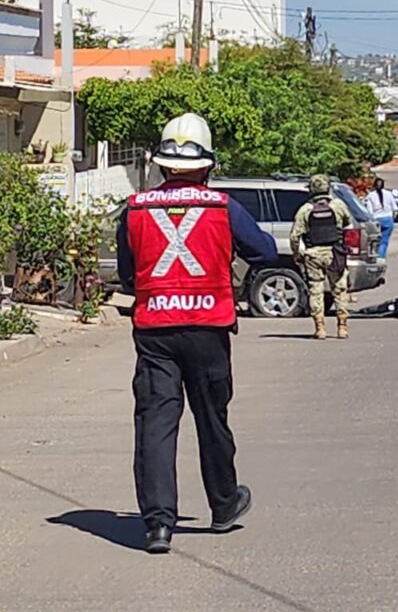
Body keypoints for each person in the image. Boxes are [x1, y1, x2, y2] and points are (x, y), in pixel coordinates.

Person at [116, 113, 278, 554]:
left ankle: (157, 525)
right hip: (208, 330)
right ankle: (224, 505)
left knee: (156, 423)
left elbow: (128, 276)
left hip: (154, 331)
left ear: (162, 164)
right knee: (212, 419)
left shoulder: (134, 209)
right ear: (207, 164)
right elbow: (265, 251)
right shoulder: (223, 206)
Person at [291, 174, 353, 340]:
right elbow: (348, 223)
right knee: (340, 290)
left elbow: (295, 236)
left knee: (316, 291)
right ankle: (342, 327)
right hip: (335, 253)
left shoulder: (305, 209)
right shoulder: (338, 205)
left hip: (313, 254)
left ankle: (320, 328)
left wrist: (297, 254)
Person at [365, 177, 398, 258]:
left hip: (377, 220)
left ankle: (375, 255)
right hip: (388, 219)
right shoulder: (389, 194)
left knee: (375, 241)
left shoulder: (370, 196)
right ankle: (381, 257)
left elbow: (369, 211)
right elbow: (395, 208)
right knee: (384, 241)